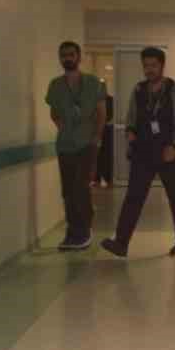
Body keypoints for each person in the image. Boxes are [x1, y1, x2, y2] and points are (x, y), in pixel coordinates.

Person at [100, 47, 175, 257]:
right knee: (133, 196)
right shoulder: (139, 90)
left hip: (169, 151)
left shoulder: (174, 89)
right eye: (146, 66)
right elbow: (131, 117)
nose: (149, 70)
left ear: (162, 65)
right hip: (143, 151)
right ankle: (121, 243)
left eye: (153, 65)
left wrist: (174, 147)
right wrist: (130, 133)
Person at [44, 41, 105, 250]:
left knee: (81, 187)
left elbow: (101, 112)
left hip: (87, 143)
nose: (67, 58)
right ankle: (72, 231)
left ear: (79, 57)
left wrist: (96, 138)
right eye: (63, 55)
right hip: (65, 145)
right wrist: (65, 129)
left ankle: (84, 230)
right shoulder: (55, 85)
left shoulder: (93, 82)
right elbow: (54, 113)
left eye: (71, 54)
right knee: (68, 190)